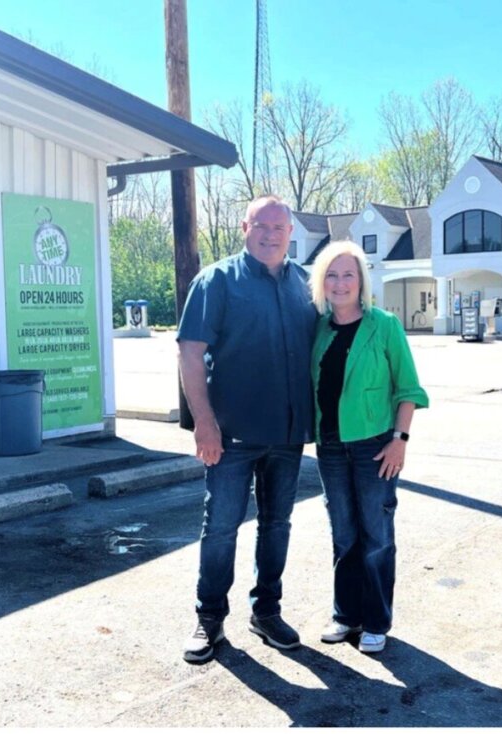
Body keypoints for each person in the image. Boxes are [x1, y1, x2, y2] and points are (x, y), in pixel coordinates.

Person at [177, 194, 317, 664]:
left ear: (291, 232)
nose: (271, 233)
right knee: (220, 529)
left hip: (288, 435)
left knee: (276, 526)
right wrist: (204, 425)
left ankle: (267, 612)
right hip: (231, 435)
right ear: (244, 227)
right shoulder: (216, 281)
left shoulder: (304, 284)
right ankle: (210, 619)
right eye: (262, 224)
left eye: (280, 226)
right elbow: (190, 354)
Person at [308, 240, 429, 654]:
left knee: (376, 535)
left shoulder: (385, 325)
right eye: (332, 274)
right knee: (343, 534)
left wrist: (400, 440)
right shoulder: (319, 328)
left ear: (361, 281)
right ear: (321, 282)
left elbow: (408, 388)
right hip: (330, 447)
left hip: (374, 447)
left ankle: (376, 621)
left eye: (348, 274)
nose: (340, 283)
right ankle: (347, 616)